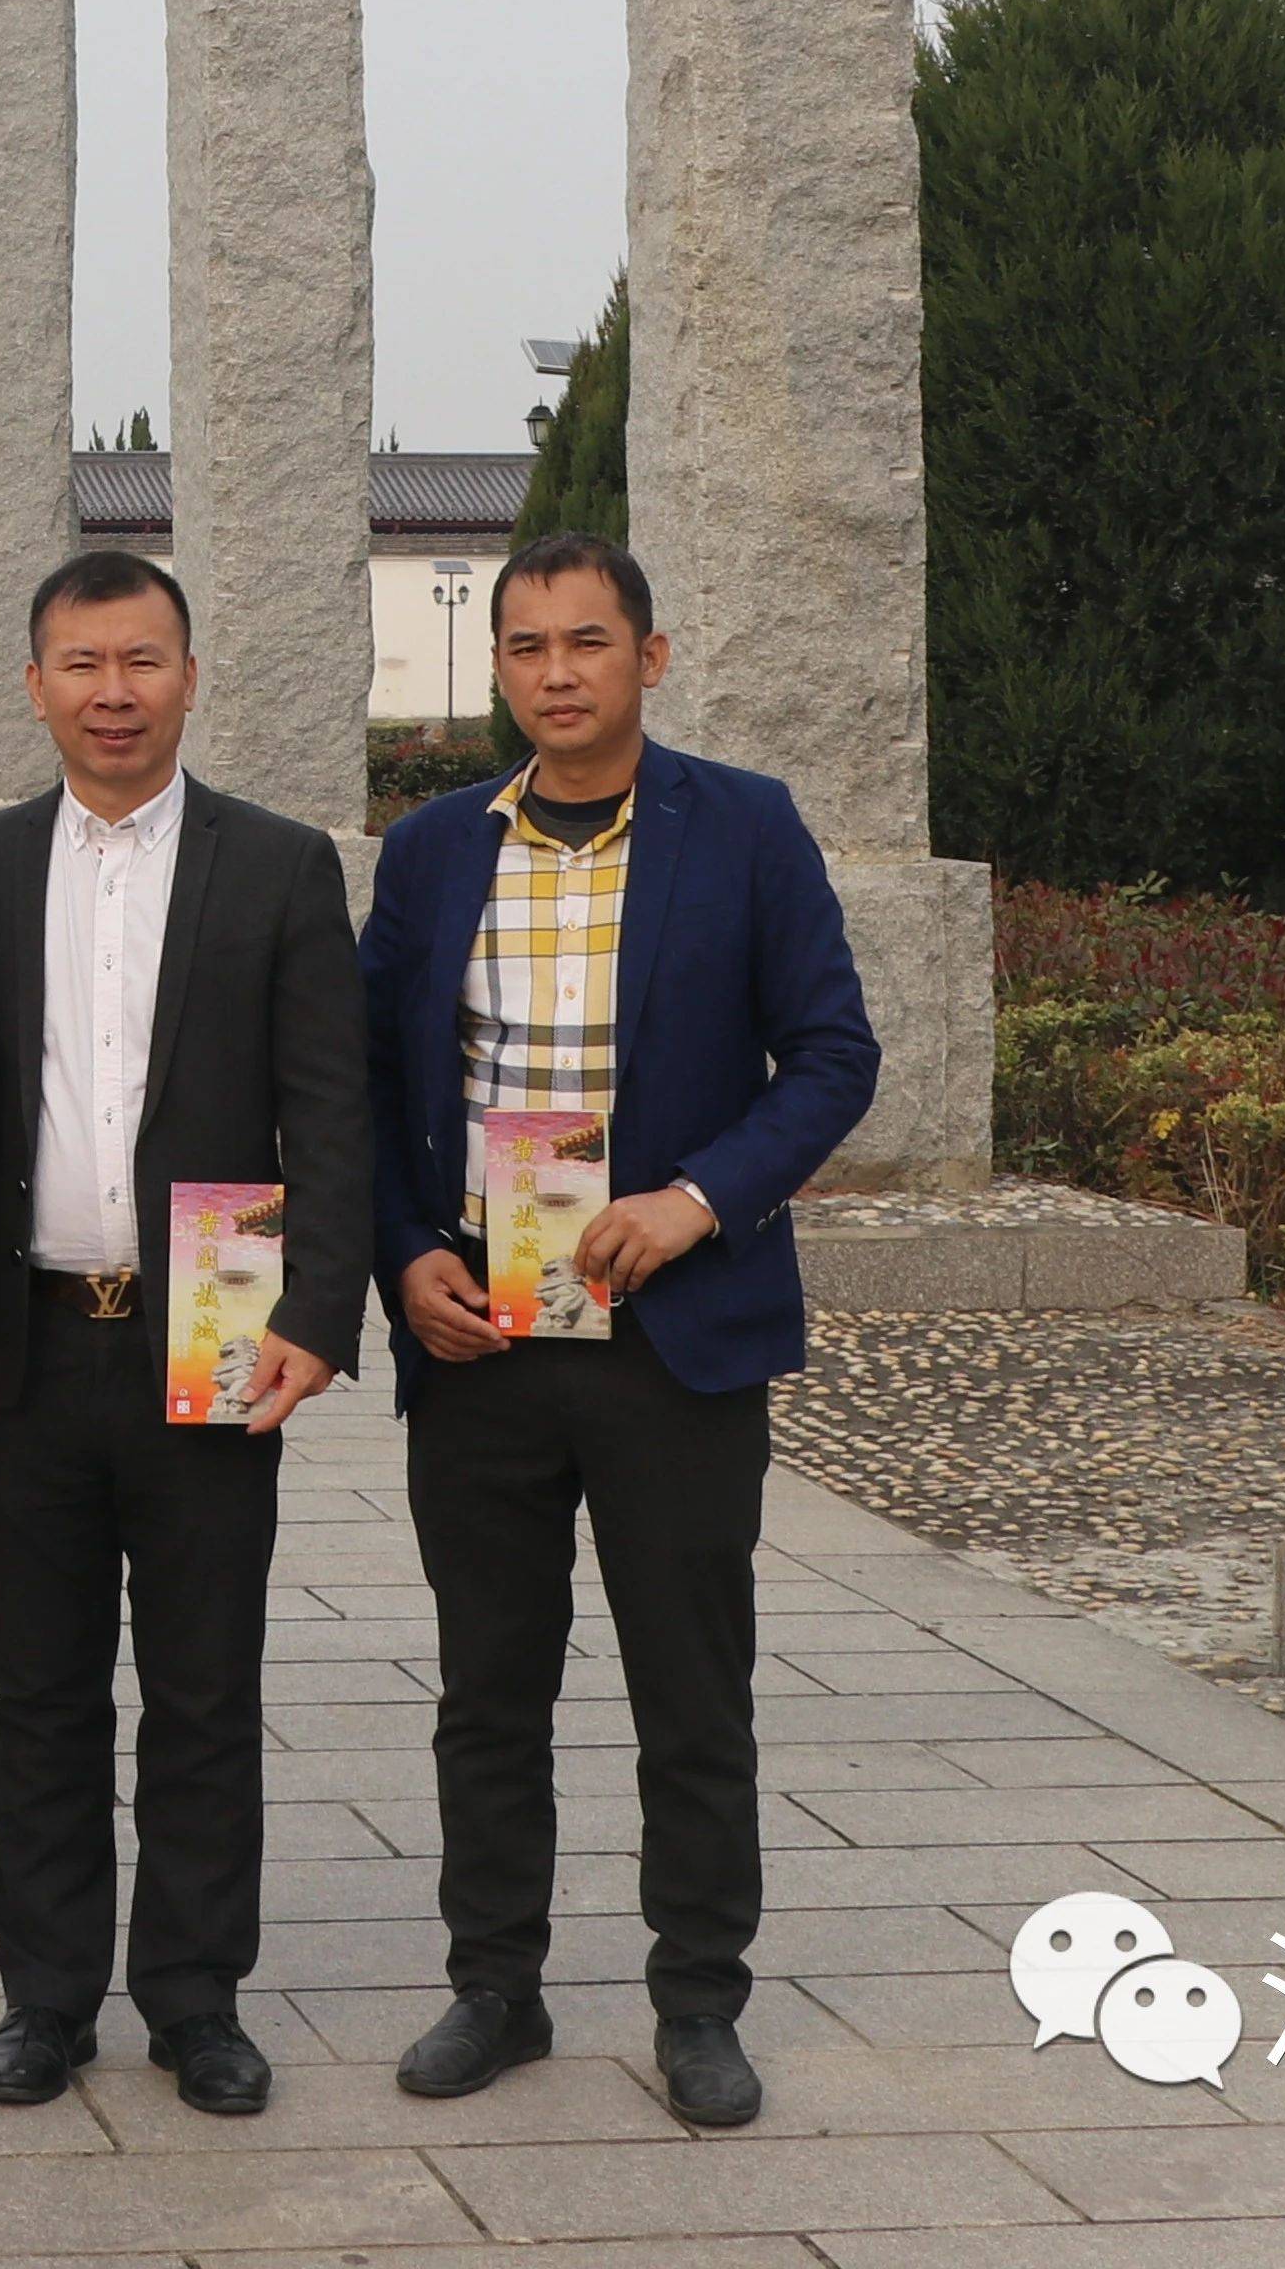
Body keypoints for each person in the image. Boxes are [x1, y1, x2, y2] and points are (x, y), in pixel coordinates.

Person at [359, 532, 879, 2135]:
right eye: (525, 648)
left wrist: (696, 1202)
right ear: (497, 667)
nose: (556, 674)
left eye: (588, 642)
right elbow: (372, 1088)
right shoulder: (436, 848)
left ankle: (699, 2001)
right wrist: (397, 1260)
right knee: (489, 1684)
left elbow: (833, 1058)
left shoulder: (747, 829)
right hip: (489, 1337)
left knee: (689, 1683)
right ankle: (495, 1986)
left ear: (653, 656)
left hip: (678, 1334)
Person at [0, 549, 365, 2122]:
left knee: (204, 1684)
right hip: (24, 1343)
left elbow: (333, 1110)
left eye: (143, 661)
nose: (115, 693)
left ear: (189, 675)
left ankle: (194, 1997)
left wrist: (317, 1316)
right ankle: (45, 1997)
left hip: (211, 1341)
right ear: (32, 684)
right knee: (36, 1690)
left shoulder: (282, 866)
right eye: (83, 665)